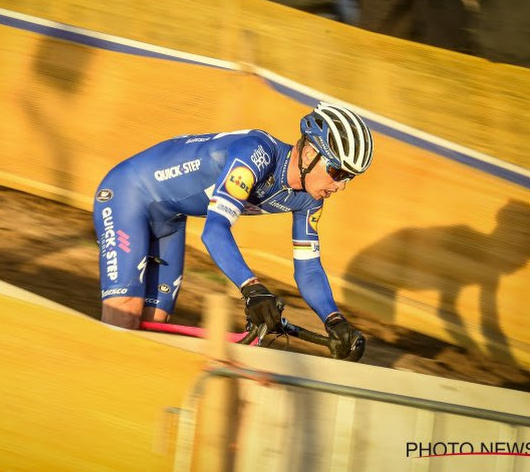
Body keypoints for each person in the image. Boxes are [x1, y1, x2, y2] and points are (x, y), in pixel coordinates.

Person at [93, 102, 373, 360]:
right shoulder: (257, 153)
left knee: (154, 329)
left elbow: (309, 267)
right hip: (128, 194)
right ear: (311, 153)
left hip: (171, 218)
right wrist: (252, 289)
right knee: (125, 314)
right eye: (338, 172)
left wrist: (334, 320)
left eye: (349, 177)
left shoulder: (311, 199)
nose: (342, 185)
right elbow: (214, 231)